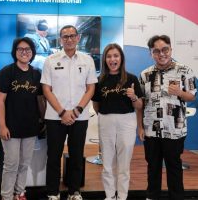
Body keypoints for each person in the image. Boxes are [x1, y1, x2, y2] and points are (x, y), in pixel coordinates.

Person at [41, 25, 98, 200]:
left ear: (78, 38)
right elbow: (46, 89)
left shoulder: (87, 60)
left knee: (76, 155)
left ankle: (74, 191)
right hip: (55, 117)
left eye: (72, 36)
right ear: (60, 39)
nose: (69, 39)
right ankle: (53, 192)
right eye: (65, 37)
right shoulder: (51, 60)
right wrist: (62, 112)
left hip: (79, 117)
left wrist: (77, 110)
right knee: (53, 156)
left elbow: (90, 88)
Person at [138, 35, 196, 200]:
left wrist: (180, 93)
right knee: (153, 167)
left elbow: (191, 97)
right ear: (151, 53)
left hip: (174, 128)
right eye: (156, 51)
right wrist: (140, 127)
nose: (161, 54)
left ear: (170, 49)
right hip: (151, 129)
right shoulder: (144, 75)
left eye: (165, 49)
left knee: (174, 167)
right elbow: (141, 104)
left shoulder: (185, 71)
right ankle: (152, 196)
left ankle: (176, 197)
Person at [0, 37, 45, 200]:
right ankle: (7, 195)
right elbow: (0, 101)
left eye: (28, 49)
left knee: (24, 163)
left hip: (30, 126)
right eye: (20, 49)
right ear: (15, 52)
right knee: (11, 164)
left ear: (32, 53)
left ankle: (20, 192)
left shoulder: (37, 74)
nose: (24, 52)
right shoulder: (6, 72)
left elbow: (40, 100)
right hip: (10, 126)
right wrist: (2, 126)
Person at [91, 43, 143, 200]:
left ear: (121, 58)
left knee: (124, 164)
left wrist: (133, 97)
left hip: (127, 121)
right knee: (107, 163)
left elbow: (139, 105)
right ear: (105, 59)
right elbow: (96, 104)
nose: (112, 59)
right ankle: (109, 196)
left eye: (116, 56)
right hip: (106, 120)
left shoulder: (131, 78)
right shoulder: (99, 80)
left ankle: (122, 196)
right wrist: (105, 116)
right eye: (109, 56)